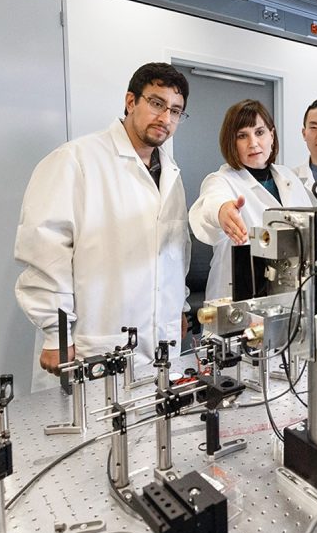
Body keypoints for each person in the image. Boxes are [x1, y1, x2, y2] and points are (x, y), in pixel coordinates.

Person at [15, 62, 191, 379]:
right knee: (91, 423)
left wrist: (178, 308)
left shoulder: (170, 174)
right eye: (156, 103)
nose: (165, 118)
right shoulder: (76, 160)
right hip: (93, 341)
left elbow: (176, 251)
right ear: (130, 101)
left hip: (159, 342)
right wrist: (57, 334)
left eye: (176, 111)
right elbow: (45, 250)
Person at [189, 99, 311, 301]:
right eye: (242, 136)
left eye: (260, 132)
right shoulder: (221, 180)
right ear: (231, 142)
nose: (253, 143)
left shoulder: (289, 177)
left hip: (290, 294)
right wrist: (222, 211)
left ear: (271, 135)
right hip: (237, 295)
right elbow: (211, 203)